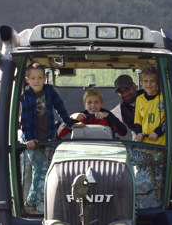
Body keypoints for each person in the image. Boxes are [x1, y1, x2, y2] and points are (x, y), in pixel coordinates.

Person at [19, 62, 73, 212]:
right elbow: (25, 119)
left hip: (48, 138)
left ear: (45, 78)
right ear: (27, 80)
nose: (36, 81)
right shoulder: (26, 96)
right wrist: (29, 139)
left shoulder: (49, 91)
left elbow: (60, 108)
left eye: (40, 77)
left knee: (50, 169)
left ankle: (47, 199)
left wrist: (70, 124)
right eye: (33, 78)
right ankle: (33, 202)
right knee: (40, 167)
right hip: (32, 139)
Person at [57, 87, 128, 138]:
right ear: (85, 104)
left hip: (106, 148)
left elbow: (123, 132)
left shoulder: (107, 115)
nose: (93, 105)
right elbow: (60, 133)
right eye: (89, 102)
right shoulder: (79, 116)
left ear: (101, 103)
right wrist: (71, 117)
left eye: (96, 102)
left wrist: (109, 116)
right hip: (80, 148)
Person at [133, 67, 165, 145]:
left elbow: (169, 121)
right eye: (145, 81)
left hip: (161, 142)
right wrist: (139, 134)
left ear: (157, 83)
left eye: (152, 81)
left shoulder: (164, 98)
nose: (148, 84)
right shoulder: (139, 99)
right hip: (145, 142)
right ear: (141, 83)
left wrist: (157, 132)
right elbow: (138, 121)